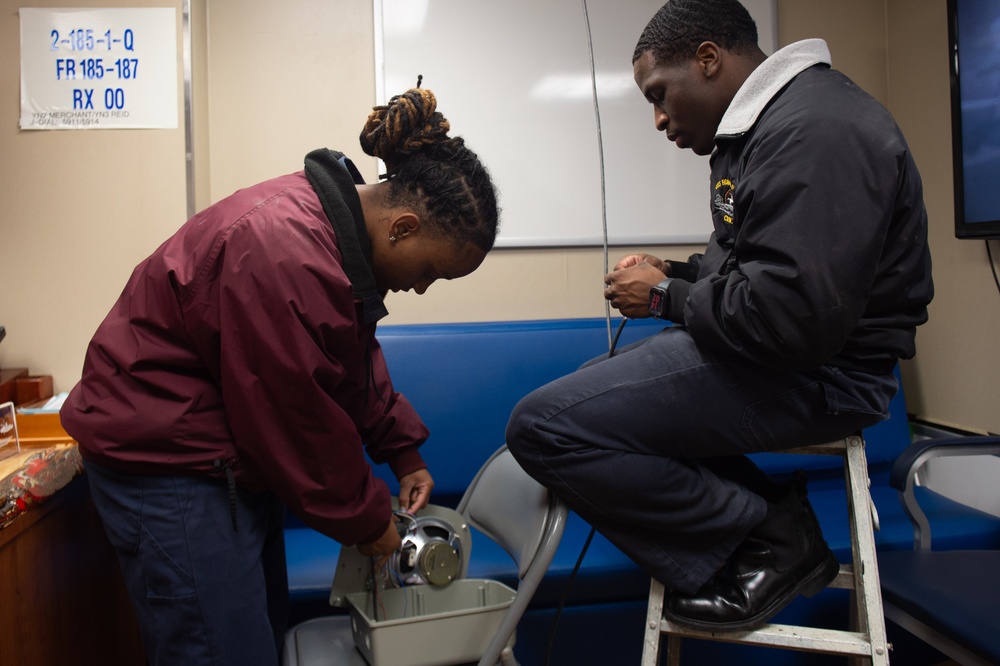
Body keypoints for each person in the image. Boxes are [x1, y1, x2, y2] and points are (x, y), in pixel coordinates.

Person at [506, 0, 932, 632]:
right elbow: (758, 274)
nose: (657, 118)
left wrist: (660, 300)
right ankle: (774, 527)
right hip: (784, 359)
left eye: (658, 93)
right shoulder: (771, 127)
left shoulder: (816, 131)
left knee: (545, 426)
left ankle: (770, 539)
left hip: (822, 374)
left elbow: (793, 320)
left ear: (708, 59)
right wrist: (676, 274)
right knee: (588, 397)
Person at [60, 86, 499, 664]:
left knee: (255, 639)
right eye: (431, 273)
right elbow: (292, 414)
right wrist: (367, 520)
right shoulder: (283, 249)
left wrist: (402, 451)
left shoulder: (337, 243)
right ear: (404, 228)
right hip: (167, 462)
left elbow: (348, 361)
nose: (421, 287)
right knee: (218, 652)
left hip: (216, 456)